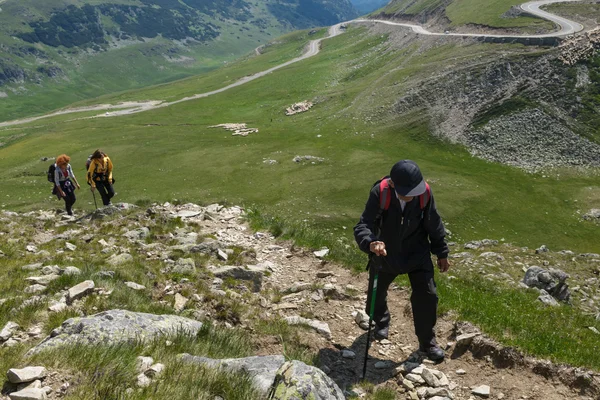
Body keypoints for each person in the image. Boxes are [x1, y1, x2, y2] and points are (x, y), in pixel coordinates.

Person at [354, 160, 450, 361]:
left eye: (414, 189)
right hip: (385, 254)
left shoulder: (424, 194)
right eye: (407, 190)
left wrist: (441, 252)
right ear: (393, 185)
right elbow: (364, 224)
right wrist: (371, 243)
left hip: (418, 254)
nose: (411, 194)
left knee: (427, 296)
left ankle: (427, 342)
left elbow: (433, 222)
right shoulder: (380, 193)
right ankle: (381, 322)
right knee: (375, 294)